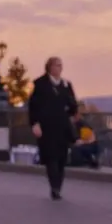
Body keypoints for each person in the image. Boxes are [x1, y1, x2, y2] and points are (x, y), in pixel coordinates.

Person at [28, 56, 79, 200]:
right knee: (51, 157)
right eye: (56, 65)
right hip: (47, 126)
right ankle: (54, 188)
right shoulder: (40, 84)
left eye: (60, 65)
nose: (59, 68)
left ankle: (58, 186)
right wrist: (35, 123)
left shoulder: (66, 84)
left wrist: (72, 112)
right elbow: (34, 106)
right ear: (49, 67)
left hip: (62, 125)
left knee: (62, 157)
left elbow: (73, 104)